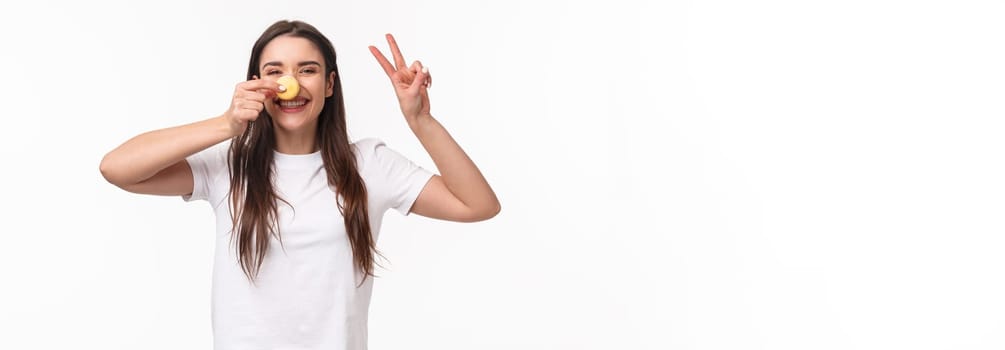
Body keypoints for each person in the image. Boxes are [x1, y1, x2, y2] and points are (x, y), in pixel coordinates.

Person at [99, 20, 500, 350]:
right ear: (255, 84)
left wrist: (420, 120)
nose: (290, 83)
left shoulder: (371, 165)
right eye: (275, 72)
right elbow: (117, 168)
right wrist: (226, 125)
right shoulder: (228, 165)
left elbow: (477, 205)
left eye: (307, 69)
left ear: (329, 84)